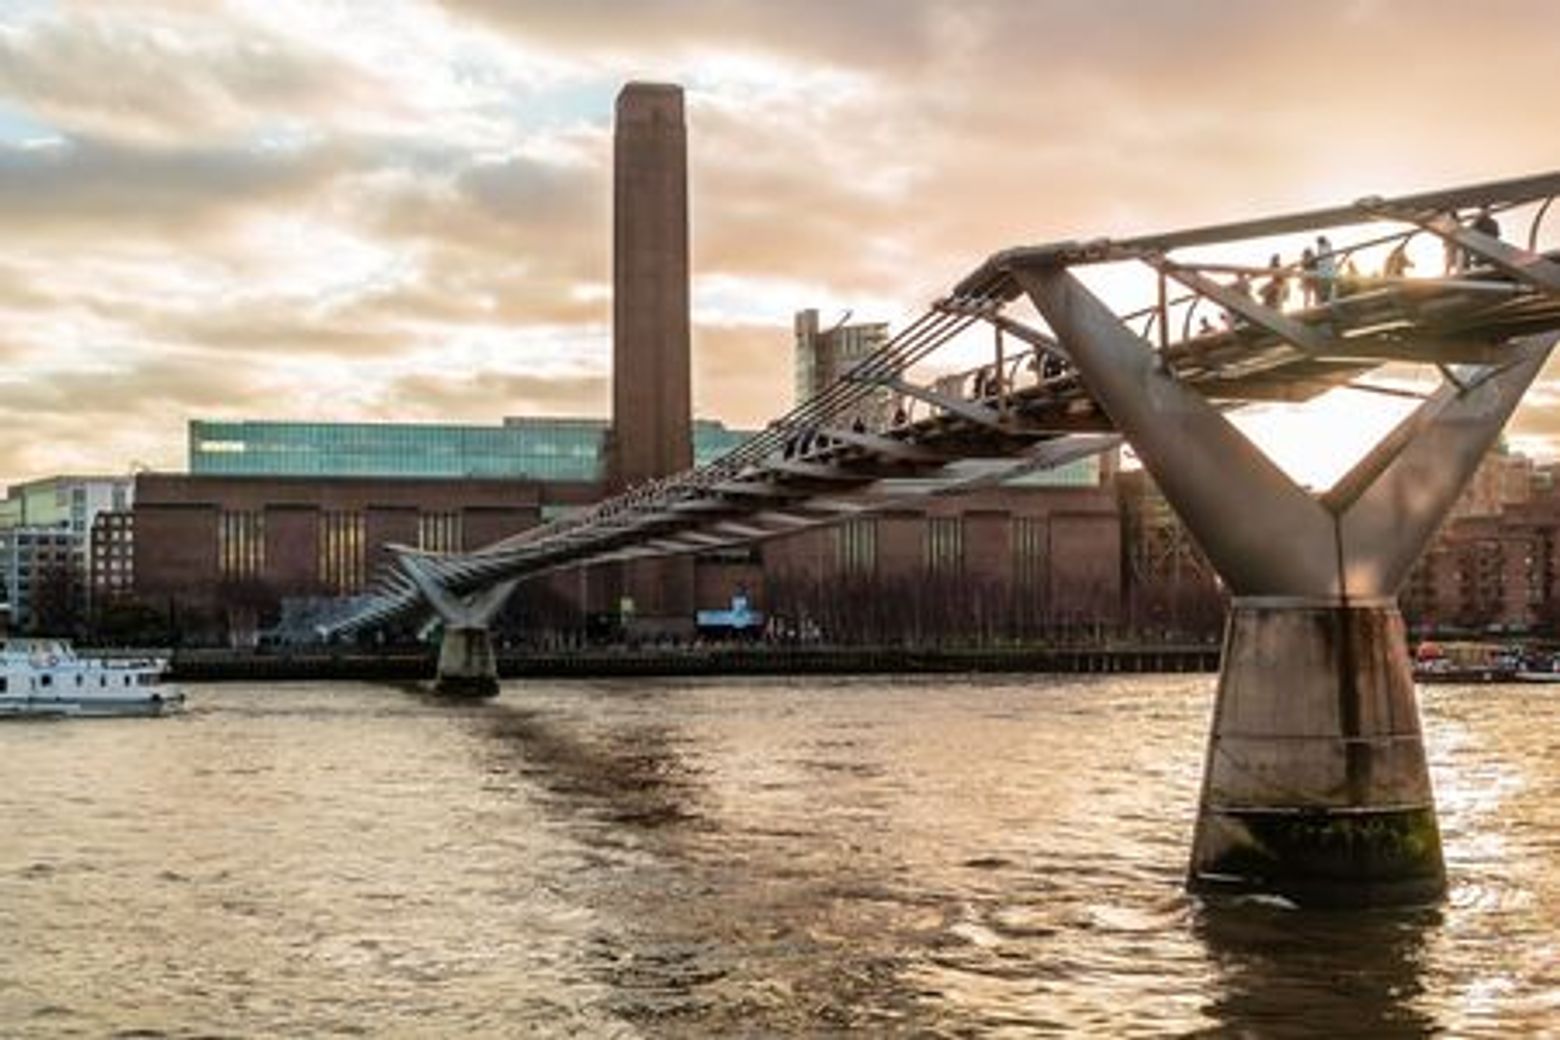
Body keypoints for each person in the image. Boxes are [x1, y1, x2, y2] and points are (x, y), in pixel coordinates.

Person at [1315, 235, 1337, 302]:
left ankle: (1329, 299)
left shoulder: (1325, 247)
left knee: (1328, 286)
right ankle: (1329, 299)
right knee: (1328, 286)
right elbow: (1330, 257)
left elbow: (1325, 257)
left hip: (1327, 269)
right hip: (1327, 269)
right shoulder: (1325, 246)